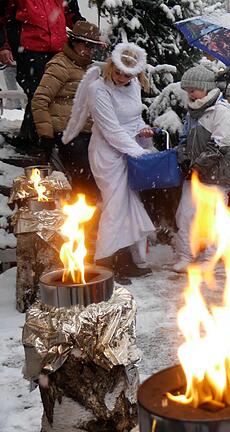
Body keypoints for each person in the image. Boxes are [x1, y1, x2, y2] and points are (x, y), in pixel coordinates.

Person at [64, 42, 155, 283]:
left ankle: (125, 260)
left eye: (130, 74)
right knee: (116, 208)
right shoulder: (97, 89)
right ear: (111, 65)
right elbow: (111, 129)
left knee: (128, 205)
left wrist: (142, 131)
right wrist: (137, 152)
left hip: (129, 149)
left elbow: (134, 119)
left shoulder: (133, 84)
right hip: (107, 153)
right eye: (119, 72)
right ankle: (106, 261)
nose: (124, 78)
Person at [172, 65, 230, 273]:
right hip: (192, 175)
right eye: (187, 90)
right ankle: (185, 255)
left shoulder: (221, 112)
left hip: (215, 176)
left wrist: (200, 165)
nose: (189, 94)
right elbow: (183, 139)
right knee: (185, 215)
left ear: (206, 88)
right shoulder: (191, 113)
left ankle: (210, 256)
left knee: (213, 217)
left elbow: (220, 144)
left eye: (193, 89)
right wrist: (183, 158)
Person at [31, 21, 103, 198]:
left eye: (93, 46)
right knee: (85, 176)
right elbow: (40, 100)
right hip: (67, 133)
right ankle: (85, 216)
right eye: (86, 45)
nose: (89, 50)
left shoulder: (88, 68)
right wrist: (46, 135)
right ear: (74, 43)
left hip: (87, 132)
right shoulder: (60, 65)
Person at [1, 0, 84, 150]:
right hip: (29, 49)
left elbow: (72, 15)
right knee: (38, 93)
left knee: (57, 94)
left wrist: (86, 32)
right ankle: (39, 141)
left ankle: (30, 137)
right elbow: (3, 17)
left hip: (58, 49)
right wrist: (3, 45)